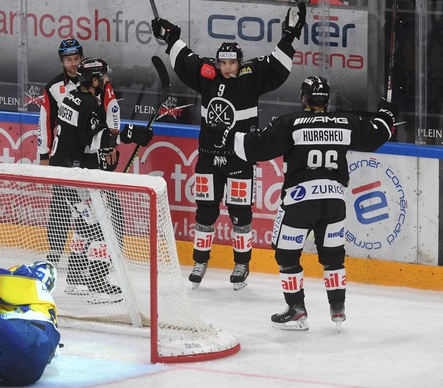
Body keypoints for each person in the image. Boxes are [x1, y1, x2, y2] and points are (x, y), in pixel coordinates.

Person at [204, 76, 395, 330]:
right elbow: (377, 134)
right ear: (326, 99)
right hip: (334, 202)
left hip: (299, 203)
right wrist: (386, 113)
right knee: (333, 257)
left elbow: (254, 149)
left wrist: (223, 131)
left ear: (304, 98)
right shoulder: (346, 122)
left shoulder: (291, 123)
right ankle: (337, 308)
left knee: (287, 255)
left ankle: (296, 310)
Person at [151, 2, 306, 290]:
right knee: (206, 212)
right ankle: (200, 261)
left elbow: (276, 66)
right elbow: (186, 60)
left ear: (239, 62)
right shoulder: (207, 74)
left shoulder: (251, 76)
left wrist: (289, 35)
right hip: (209, 158)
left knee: (240, 214)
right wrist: (171, 36)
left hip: (239, 159)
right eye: (223, 63)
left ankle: (241, 263)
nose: (226, 68)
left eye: (231, 63)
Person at [47, 58, 152, 301]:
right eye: (104, 77)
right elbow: (93, 140)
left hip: (64, 174)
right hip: (74, 177)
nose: (107, 80)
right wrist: (130, 134)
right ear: (94, 80)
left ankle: (74, 278)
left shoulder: (73, 96)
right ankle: (96, 283)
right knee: (101, 227)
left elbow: (83, 137)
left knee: (85, 227)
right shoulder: (89, 105)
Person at [37, 38, 121, 165]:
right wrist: (43, 154)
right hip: (68, 151)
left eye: (76, 58)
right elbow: (46, 122)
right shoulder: (53, 87)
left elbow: (112, 110)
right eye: (68, 60)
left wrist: (111, 144)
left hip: (94, 149)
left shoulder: (99, 82)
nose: (73, 64)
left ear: (82, 58)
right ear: (61, 62)